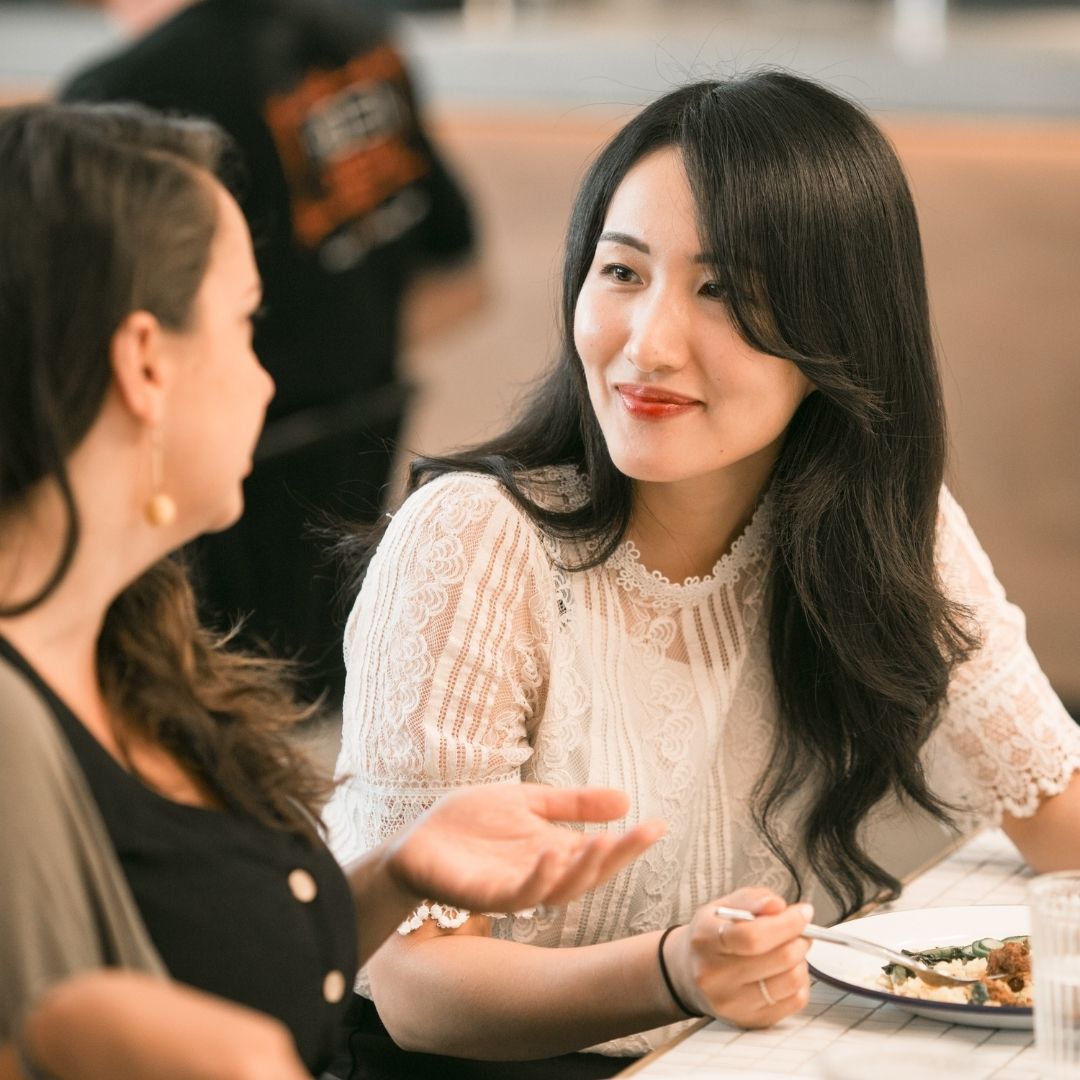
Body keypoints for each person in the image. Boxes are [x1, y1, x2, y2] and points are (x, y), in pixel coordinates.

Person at [323, 71, 1080, 1077]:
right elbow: (414, 985)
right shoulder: (474, 543)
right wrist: (675, 970)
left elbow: (1058, 815)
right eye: (623, 273)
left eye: (720, 289)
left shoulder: (886, 525)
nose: (648, 345)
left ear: (837, 330)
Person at [0, 101, 662, 1080]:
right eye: (243, 325)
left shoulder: (132, 639)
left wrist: (399, 875)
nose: (266, 382)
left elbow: (227, 964)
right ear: (145, 361)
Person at [61, 0, 486, 702]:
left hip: (208, 545)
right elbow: (462, 273)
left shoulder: (124, 98)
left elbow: (64, 362)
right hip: (344, 479)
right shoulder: (361, 43)